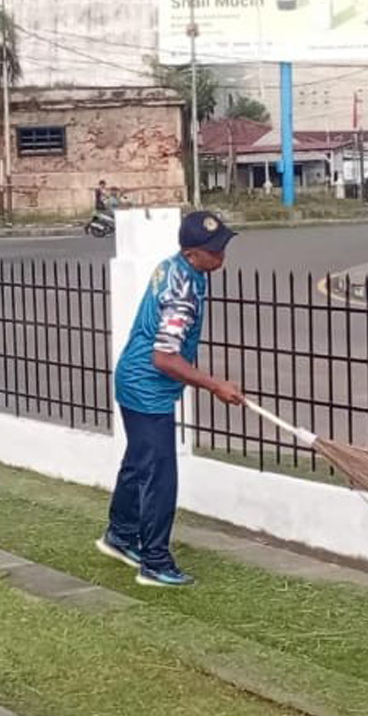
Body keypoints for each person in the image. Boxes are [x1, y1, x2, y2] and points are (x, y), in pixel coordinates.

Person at [96, 211, 244, 588]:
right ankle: (155, 561)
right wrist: (215, 385)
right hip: (147, 390)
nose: (221, 255)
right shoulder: (183, 293)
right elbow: (165, 358)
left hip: (134, 381)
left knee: (138, 463)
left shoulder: (177, 267)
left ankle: (121, 535)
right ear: (194, 253)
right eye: (215, 251)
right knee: (160, 476)